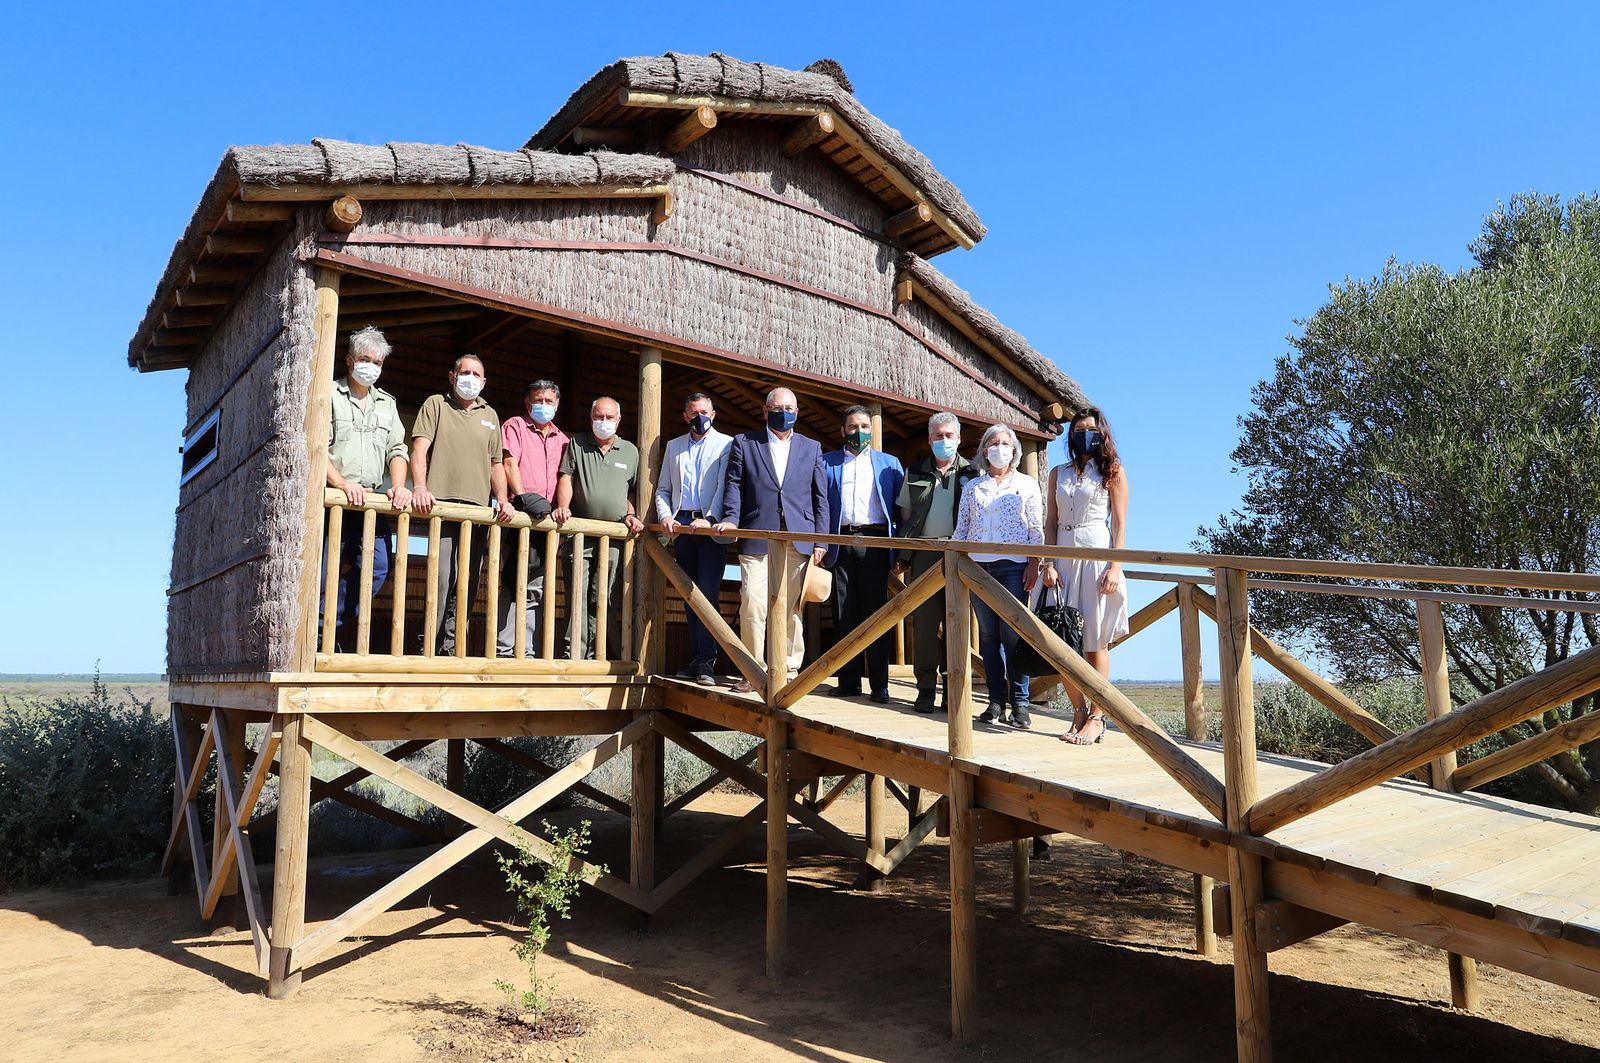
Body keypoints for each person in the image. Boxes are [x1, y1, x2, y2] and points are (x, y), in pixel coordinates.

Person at [714, 387, 830, 693]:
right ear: (765, 411)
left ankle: (789, 671)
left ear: (797, 412)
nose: (784, 413)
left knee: (791, 607)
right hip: (757, 535)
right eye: (778, 408)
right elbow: (734, 485)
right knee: (752, 602)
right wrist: (730, 518)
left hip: (798, 537)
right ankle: (754, 672)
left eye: (789, 408)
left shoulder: (811, 447)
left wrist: (821, 541)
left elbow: (820, 497)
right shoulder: (745, 443)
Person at [410, 354, 512, 655]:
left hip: (477, 512)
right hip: (440, 507)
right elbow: (419, 449)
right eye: (464, 372)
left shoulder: (490, 415)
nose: (470, 378)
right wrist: (419, 487)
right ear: (452, 376)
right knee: (441, 579)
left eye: (476, 374)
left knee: (468, 581)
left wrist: (503, 499)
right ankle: (429, 646)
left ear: (484, 381)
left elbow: (496, 464)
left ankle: (453, 646)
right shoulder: (436, 405)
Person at [1044, 407, 1130, 745]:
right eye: (1078, 430)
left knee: (1095, 641)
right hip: (1063, 557)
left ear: (1101, 433)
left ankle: (1097, 716)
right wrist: (1048, 563)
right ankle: (1077, 712)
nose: (1084, 435)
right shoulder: (1058, 473)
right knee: (1063, 642)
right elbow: (1050, 522)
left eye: (1090, 429)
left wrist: (1115, 566)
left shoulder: (1113, 471)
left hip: (1096, 556)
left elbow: (1120, 524)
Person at [322, 327, 411, 652]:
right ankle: (317, 637)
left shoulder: (387, 404)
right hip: (333, 500)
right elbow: (317, 447)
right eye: (365, 359)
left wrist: (398, 487)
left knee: (378, 567)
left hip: (371, 501)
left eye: (377, 362)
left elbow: (397, 450)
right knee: (323, 571)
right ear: (349, 360)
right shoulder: (329, 394)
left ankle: (325, 624)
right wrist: (341, 483)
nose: (371, 367)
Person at [952, 423, 1045, 728]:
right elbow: (962, 528)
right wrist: (955, 562)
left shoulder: (1027, 484)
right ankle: (995, 702)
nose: (999, 448)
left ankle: (1020, 703)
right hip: (979, 567)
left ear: (1014, 450)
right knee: (989, 637)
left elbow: (1035, 528)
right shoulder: (972, 487)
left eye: (1005, 443)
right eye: (993, 443)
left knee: (1012, 634)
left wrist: (1034, 563)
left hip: (1013, 567)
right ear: (984, 450)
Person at [894, 411, 979, 713]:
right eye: (938, 436)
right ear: (930, 440)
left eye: (949, 435)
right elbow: (906, 514)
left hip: (960, 555)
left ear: (959, 438)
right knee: (925, 625)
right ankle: (926, 690)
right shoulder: (915, 471)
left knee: (957, 623)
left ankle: (952, 689)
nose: (944, 440)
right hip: (925, 553)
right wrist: (906, 553)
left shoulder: (974, 473)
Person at [822, 405, 905, 702]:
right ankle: (849, 681)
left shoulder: (890, 464)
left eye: (865, 427)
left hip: (876, 542)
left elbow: (901, 510)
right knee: (844, 612)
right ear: (843, 430)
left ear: (872, 430)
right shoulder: (827, 462)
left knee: (876, 614)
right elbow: (819, 505)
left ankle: (880, 685)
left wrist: (900, 550)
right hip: (840, 540)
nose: (859, 432)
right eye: (853, 427)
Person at [552, 396, 645, 659]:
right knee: (577, 595)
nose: (604, 422)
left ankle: (602, 654)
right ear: (590, 418)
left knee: (606, 597)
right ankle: (574, 653)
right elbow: (566, 478)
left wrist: (631, 514)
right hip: (580, 534)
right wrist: (563, 507)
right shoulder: (577, 443)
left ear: (619, 420)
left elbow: (632, 490)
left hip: (614, 539)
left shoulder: (630, 452)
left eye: (609, 417)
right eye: (598, 417)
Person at [657, 392, 734, 685]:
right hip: (682, 525)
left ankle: (707, 661)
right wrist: (666, 516)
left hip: (710, 527)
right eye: (693, 413)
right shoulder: (674, 446)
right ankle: (696, 657)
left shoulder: (726, 443)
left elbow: (726, 486)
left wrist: (711, 519)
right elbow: (663, 488)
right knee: (688, 595)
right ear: (685, 416)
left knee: (707, 593)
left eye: (704, 412)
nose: (699, 417)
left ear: (713, 415)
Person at [495, 379, 567, 657]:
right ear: (528, 403)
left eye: (549, 401)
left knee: (537, 588)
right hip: (520, 517)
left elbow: (565, 478)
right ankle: (504, 649)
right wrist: (525, 499)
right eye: (538, 400)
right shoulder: (515, 426)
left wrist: (561, 507)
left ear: (557, 405)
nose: (543, 405)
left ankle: (526, 651)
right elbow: (509, 463)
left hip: (547, 523)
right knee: (512, 583)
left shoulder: (563, 440)